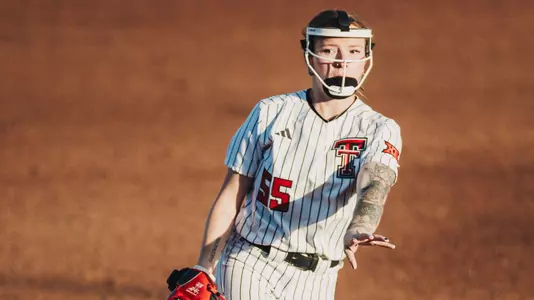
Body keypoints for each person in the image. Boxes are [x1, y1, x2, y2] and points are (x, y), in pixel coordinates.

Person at [167, 9, 402, 300]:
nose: (342, 62)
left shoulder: (380, 128)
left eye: (354, 51)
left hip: (320, 278)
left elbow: (375, 182)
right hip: (249, 261)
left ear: (365, 59)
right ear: (310, 56)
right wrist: (205, 266)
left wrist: (360, 226)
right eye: (330, 50)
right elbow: (232, 194)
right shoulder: (271, 112)